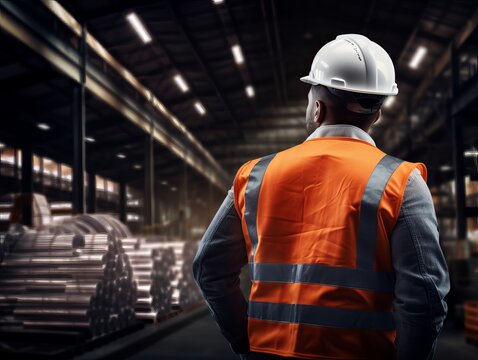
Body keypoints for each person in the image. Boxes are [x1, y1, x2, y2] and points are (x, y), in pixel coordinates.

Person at [193, 34, 449, 360]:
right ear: (377, 114)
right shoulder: (403, 183)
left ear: (317, 108)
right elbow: (425, 299)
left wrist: (246, 343)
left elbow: (208, 269)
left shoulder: (254, 177)